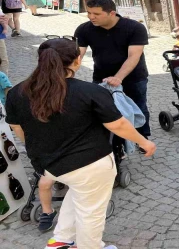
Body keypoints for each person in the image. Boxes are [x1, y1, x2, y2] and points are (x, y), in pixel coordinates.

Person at [5, 38, 156, 249]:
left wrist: (42, 147)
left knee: (79, 195)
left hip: (49, 165)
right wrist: (144, 142)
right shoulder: (91, 91)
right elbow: (118, 125)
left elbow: (17, 128)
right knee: (91, 213)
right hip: (90, 164)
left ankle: (61, 239)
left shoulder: (16, 93)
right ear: (77, 61)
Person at [74, 0, 152, 150]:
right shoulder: (84, 29)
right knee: (102, 110)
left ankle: (142, 138)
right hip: (101, 77)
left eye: (96, 14)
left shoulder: (135, 28)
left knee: (137, 106)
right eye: (89, 13)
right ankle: (109, 141)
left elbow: (134, 56)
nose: (91, 17)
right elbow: (77, 56)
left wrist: (118, 78)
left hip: (134, 77)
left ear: (112, 13)